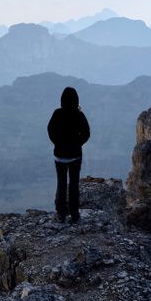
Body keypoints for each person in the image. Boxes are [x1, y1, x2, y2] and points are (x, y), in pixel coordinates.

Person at [47, 87, 90, 224]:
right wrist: (77, 144)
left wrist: (58, 143)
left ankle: (61, 214)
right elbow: (86, 133)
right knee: (74, 185)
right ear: (76, 100)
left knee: (61, 184)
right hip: (75, 156)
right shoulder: (79, 115)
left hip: (59, 155)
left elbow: (50, 130)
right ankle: (75, 214)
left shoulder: (57, 113)